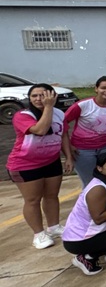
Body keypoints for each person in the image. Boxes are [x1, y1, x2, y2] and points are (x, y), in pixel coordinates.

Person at [9, 84, 73, 249]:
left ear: (52, 96)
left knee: (52, 196)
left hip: (51, 161)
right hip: (25, 164)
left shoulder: (59, 114)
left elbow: (64, 134)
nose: (38, 99)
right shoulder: (22, 115)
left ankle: (53, 226)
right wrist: (48, 107)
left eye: (43, 95)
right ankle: (39, 234)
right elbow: (40, 129)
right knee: (32, 200)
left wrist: (68, 157)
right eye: (34, 96)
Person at [65, 76, 106, 186]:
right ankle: (87, 203)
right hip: (82, 150)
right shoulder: (82, 105)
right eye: (103, 88)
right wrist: (69, 145)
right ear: (96, 89)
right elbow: (62, 124)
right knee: (91, 182)